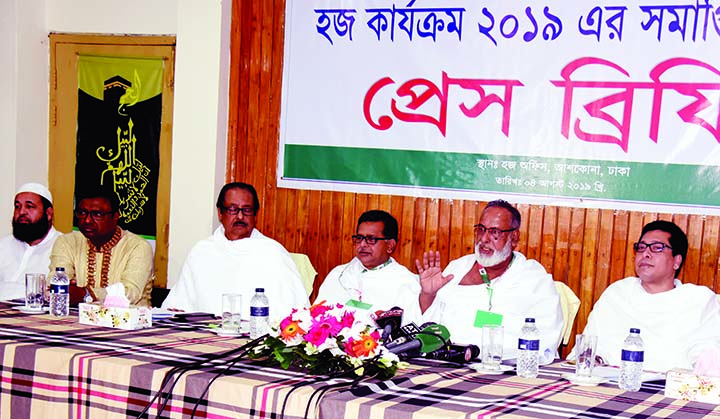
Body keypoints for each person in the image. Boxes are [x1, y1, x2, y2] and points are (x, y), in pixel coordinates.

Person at [414, 200, 563, 363]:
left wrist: (478, 353)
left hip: (505, 372)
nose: (484, 239)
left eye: (494, 232)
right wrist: (428, 295)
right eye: (481, 230)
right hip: (445, 362)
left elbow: (543, 342)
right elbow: (428, 328)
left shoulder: (534, 280)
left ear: (514, 238)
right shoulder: (457, 268)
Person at [577, 220, 720, 372]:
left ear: (677, 261)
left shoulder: (698, 300)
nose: (645, 253)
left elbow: (709, 360)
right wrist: (594, 360)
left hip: (671, 388)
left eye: (657, 248)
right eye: (641, 247)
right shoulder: (618, 293)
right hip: (608, 383)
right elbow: (590, 347)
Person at [162, 182, 308, 318]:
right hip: (201, 336)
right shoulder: (202, 251)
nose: (240, 216)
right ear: (220, 213)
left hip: (255, 338)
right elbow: (177, 306)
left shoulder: (272, 253)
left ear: (255, 215)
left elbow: (296, 313)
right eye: (232, 209)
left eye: (247, 210)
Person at [49, 189, 153, 306]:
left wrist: (87, 294)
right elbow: (55, 285)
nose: (87, 220)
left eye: (97, 214)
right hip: (75, 320)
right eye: (82, 213)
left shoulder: (138, 247)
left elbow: (129, 294)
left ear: (115, 216)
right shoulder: (66, 242)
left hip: (127, 321)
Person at [315, 210, 420, 317]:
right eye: (359, 238)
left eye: (371, 239)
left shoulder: (405, 282)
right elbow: (317, 315)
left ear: (390, 246)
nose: (363, 244)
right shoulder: (338, 274)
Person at [0, 183, 62, 300]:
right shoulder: (4, 245)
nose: (21, 212)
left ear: (48, 213)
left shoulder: (62, 247)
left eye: (30, 206)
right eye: (17, 206)